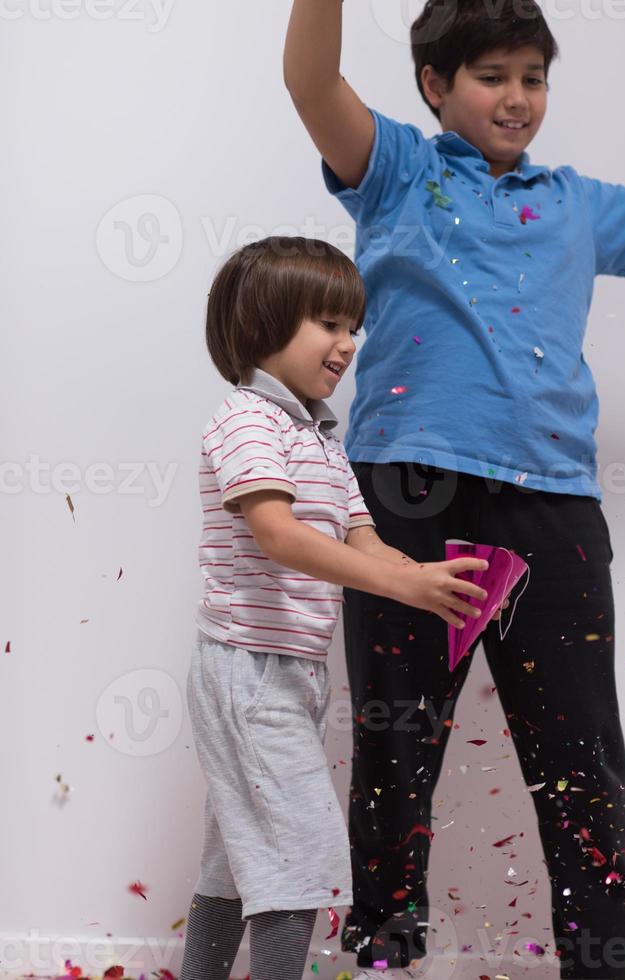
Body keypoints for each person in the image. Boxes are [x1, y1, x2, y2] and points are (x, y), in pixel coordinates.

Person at [283, 2, 625, 979]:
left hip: (553, 511)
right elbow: (312, 86)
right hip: (409, 500)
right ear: (436, 85)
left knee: (583, 766)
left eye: (534, 76)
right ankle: (382, 955)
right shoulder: (400, 168)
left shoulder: (577, 201)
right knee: (394, 752)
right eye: (492, 75)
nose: (518, 97)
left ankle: (604, 967)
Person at [179, 236, 504, 980]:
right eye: (327, 323)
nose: (347, 342)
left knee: (236, 857)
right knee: (293, 850)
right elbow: (279, 535)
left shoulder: (321, 437)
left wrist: (431, 579)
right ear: (264, 326)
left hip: (286, 676)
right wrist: (402, 586)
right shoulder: (247, 420)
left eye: (351, 325)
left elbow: (363, 539)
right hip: (246, 671)